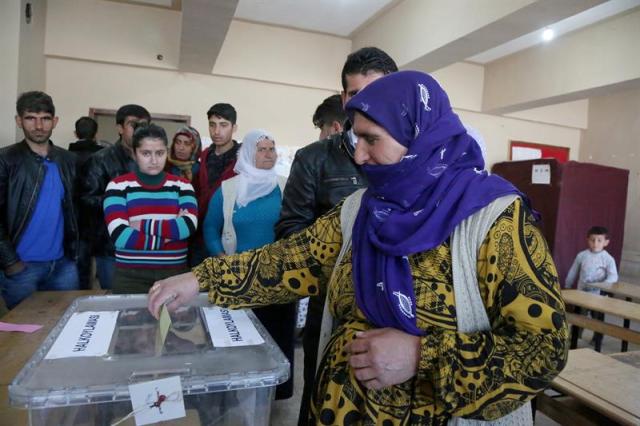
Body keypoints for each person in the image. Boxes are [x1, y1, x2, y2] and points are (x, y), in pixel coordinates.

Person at [149, 71, 568, 424]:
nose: (360, 156)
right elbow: (291, 260)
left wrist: (422, 354)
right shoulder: (361, 210)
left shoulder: (492, 218)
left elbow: (542, 349)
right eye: (355, 141)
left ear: (419, 137)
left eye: (372, 140)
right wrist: (199, 279)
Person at [275, 46, 397, 424]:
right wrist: (346, 264)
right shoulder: (315, 158)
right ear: (344, 99)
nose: (367, 103)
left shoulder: (408, 158)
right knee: (322, 401)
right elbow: (290, 232)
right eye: (356, 94)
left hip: (395, 314)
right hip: (331, 305)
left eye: (378, 91)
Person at [202, 129, 295, 398]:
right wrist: (222, 258)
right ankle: (237, 392)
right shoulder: (228, 189)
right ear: (247, 153)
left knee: (277, 338)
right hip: (239, 279)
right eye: (262, 149)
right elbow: (210, 227)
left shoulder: (285, 186)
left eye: (272, 148)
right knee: (238, 340)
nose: (269, 154)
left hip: (278, 280)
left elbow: (297, 225)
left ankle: (274, 395)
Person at [0, 91, 80, 309]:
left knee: (65, 326)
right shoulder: (5, 160)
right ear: (19, 121)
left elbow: (76, 212)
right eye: (30, 118)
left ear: (54, 121)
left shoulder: (69, 160)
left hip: (64, 266)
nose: (38, 126)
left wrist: (75, 256)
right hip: (21, 268)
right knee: (20, 335)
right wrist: (10, 262)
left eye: (45, 118)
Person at [103, 123, 197, 294]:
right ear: (134, 153)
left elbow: (186, 228)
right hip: (130, 277)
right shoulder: (117, 186)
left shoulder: (183, 186)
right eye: (146, 153)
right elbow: (121, 236)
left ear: (167, 152)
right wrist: (168, 240)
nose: (154, 160)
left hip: (175, 275)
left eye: (160, 153)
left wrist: (140, 225)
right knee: (129, 321)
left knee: (174, 321)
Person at [82, 104, 151, 289]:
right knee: (115, 301)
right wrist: (120, 202)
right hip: (112, 248)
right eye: (133, 124)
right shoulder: (101, 159)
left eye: (143, 125)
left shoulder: (153, 159)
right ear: (120, 128)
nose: (139, 130)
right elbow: (87, 200)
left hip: (148, 247)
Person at [191, 103, 240, 266]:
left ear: (234, 127)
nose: (216, 131)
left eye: (223, 125)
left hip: (229, 236)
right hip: (199, 234)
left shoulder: (243, 160)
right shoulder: (204, 156)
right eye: (212, 125)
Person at [565, 225, 618, 345]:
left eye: (599, 240)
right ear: (587, 240)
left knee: (598, 318)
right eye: (592, 240)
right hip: (582, 294)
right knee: (579, 317)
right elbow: (573, 271)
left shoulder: (608, 259)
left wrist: (603, 286)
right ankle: (575, 336)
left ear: (606, 242)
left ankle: (597, 338)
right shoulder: (582, 255)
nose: (595, 243)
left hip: (598, 295)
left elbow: (613, 276)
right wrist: (568, 285)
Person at [68, 116, 103, 289]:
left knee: (78, 266)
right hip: (99, 217)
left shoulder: (64, 157)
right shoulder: (104, 156)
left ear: (75, 133)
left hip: (74, 218)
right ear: (96, 134)